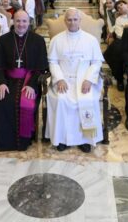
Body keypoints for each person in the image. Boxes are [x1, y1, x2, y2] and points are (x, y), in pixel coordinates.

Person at [0, 10, 48, 151]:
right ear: (13, 22)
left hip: (29, 81)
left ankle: (24, 140)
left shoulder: (38, 40)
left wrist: (32, 85)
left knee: (25, 102)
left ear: (29, 22)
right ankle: (3, 141)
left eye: (24, 21)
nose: (21, 24)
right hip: (8, 80)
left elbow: (41, 68)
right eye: (18, 21)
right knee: (3, 101)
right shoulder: (3, 40)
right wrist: (1, 83)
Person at [46, 9, 104, 153]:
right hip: (64, 80)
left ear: (80, 21)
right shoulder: (56, 40)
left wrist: (89, 80)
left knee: (86, 100)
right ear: (65, 21)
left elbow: (96, 62)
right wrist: (59, 79)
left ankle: (86, 139)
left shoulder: (91, 40)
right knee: (61, 100)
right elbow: (53, 62)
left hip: (84, 80)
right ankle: (62, 139)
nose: (72, 22)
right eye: (69, 19)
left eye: (75, 19)